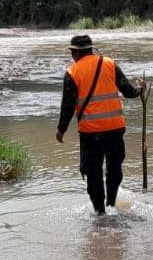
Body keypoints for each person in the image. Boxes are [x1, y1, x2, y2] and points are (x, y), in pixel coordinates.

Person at [56, 34, 145, 215]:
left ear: (75, 52)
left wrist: (61, 130)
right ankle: (111, 203)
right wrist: (141, 89)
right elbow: (128, 91)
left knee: (93, 172)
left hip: (90, 133)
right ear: (91, 50)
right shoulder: (110, 64)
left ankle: (100, 212)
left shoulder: (72, 72)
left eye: (72, 52)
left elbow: (68, 105)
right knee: (114, 168)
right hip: (114, 128)